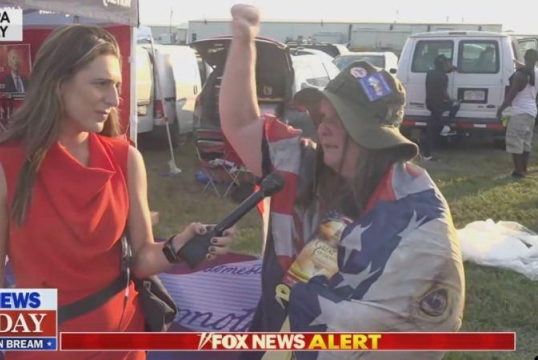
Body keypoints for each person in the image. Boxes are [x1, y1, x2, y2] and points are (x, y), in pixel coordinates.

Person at [0, 24, 235, 360]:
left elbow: (140, 259)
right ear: (59, 84)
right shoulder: (0, 169)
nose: (115, 99)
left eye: (118, 86)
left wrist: (177, 245)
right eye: (101, 84)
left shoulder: (126, 158)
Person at [219, 5, 465, 360]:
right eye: (322, 117)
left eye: (340, 120)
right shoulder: (306, 164)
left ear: (374, 136)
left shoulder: (421, 224)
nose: (322, 128)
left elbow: (413, 338)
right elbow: (241, 123)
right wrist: (243, 40)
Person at [497, 49, 537, 179]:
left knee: (515, 141)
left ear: (525, 58)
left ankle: (518, 172)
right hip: (531, 112)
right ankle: (523, 169)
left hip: (519, 112)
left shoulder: (520, 75)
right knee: (525, 142)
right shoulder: (535, 72)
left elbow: (511, 95)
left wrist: (501, 109)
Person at [422, 54, 459, 161]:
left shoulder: (430, 74)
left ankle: (427, 154)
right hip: (439, 105)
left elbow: (444, 71)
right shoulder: (443, 77)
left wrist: (452, 69)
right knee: (456, 104)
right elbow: (444, 93)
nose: (449, 65)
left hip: (430, 104)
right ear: (443, 65)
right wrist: (451, 100)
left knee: (431, 129)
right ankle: (427, 155)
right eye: (447, 63)